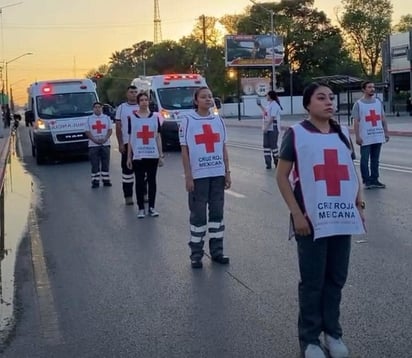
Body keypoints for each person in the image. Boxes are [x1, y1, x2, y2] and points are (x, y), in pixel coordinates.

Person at [276, 82, 365, 358]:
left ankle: (333, 333)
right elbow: (281, 177)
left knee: (336, 278)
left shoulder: (340, 134)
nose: (329, 102)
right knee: (313, 281)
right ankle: (310, 340)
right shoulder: (296, 134)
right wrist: (296, 213)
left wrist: (358, 204)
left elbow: (351, 171)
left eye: (331, 98)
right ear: (308, 104)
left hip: (341, 218)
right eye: (321, 98)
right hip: (311, 220)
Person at [179, 87, 232, 269]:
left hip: (217, 175)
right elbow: (185, 150)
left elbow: (223, 148)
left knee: (217, 215)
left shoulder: (218, 121)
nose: (208, 99)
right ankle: (196, 254)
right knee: (198, 217)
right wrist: (188, 176)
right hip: (199, 176)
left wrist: (227, 172)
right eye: (203, 97)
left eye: (210, 96)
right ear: (196, 101)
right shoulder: (187, 121)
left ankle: (217, 251)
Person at [126, 92, 164, 219]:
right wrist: (129, 157)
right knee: (139, 182)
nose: (144, 102)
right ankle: (141, 208)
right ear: (138, 102)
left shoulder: (155, 117)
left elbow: (158, 136)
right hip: (138, 155)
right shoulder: (133, 118)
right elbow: (131, 138)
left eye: (146, 100)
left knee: (152, 182)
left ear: (149, 102)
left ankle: (152, 207)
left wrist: (161, 155)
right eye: (141, 100)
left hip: (152, 154)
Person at [352, 81, 389, 189]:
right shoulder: (358, 104)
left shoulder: (378, 102)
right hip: (365, 137)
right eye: (369, 87)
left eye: (373, 87)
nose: (372, 89)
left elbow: (382, 118)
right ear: (363, 89)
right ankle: (367, 181)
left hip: (377, 135)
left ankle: (375, 179)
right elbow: (356, 121)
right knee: (364, 160)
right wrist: (357, 136)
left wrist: (386, 132)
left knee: (375, 159)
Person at [115, 85, 139, 205]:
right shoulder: (121, 108)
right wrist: (120, 143)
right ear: (127, 94)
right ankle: (128, 196)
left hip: (141, 144)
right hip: (127, 143)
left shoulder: (143, 106)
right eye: (131, 92)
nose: (133, 94)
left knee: (142, 171)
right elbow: (118, 127)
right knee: (127, 171)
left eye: (135, 92)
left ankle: (144, 194)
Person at [85, 102, 113, 188]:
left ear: (102, 108)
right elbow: (87, 131)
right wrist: (95, 140)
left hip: (105, 144)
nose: (97, 109)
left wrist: (105, 139)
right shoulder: (89, 119)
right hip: (93, 145)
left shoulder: (107, 118)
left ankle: (106, 180)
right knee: (95, 164)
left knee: (105, 163)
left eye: (99, 107)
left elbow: (110, 130)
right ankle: (95, 181)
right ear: (93, 109)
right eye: (96, 107)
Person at [257, 90, 282, 169]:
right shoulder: (269, 105)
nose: (266, 97)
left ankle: (277, 161)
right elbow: (266, 112)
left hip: (273, 127)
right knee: (266, 145)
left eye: (267, 95)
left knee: (273, 146)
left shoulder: (275, 105)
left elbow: (272, 118)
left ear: (270, 96)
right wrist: (260, 105)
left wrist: (266, 128)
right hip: (267, 127)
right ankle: (268, 163)